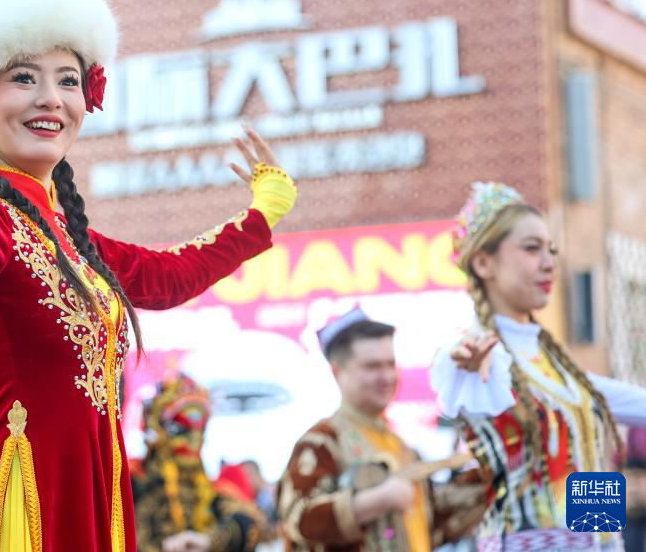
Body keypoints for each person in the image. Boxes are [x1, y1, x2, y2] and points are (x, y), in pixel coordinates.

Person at [0, 0, 297, 551]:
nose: (50, 97)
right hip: (22, 507)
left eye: (68, 81)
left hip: (94, 500)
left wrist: (263, 213)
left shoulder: (74, 241)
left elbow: (169, 277)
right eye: (24, 78)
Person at [431, 182, 646, 551]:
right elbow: (465, 374)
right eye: (531, 249)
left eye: (551, 250)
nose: (549, 263)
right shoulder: (479, 356)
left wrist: (602, 538)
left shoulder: (557, 370)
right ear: (483, 263)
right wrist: (467, 366)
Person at [277, 309, 486, 552]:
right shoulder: (322, 441)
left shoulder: (402, 447)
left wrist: (490, 478)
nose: (386, 376)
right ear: (337, 372)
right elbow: (298, 518)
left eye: (390, 364)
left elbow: (435, 523)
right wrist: (375, 501)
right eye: (372, 366)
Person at [131, 374, 264, 552]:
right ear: (158, 429)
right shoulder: (131, 484)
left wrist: (208, 541)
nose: (194, 441)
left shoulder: (210, 490)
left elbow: (251, 527)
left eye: (200, 430)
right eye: (181, 430)